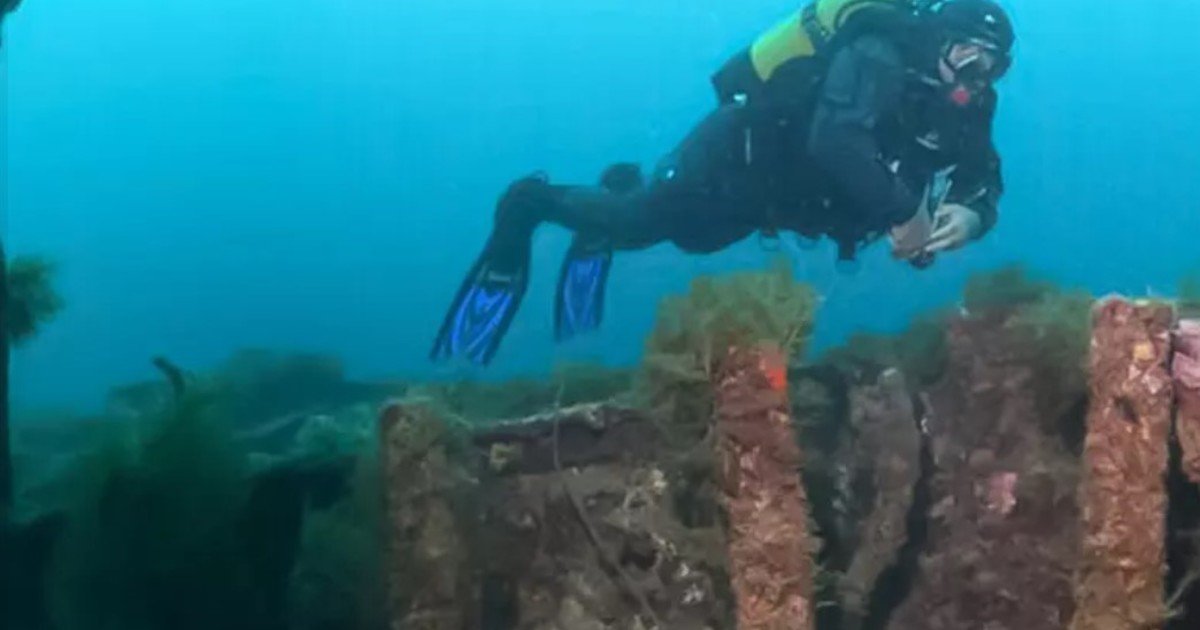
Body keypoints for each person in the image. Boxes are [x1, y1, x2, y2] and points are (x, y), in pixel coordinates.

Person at [431, 0, 1015, 365]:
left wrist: (970, 216)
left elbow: (981, 174)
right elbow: (834, 139)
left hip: (773, 201)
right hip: (733, 159)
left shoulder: (966, 104)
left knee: (695, 241)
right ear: (935, 38)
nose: (977, 75)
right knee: (639, 225)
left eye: (992, 64)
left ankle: (619, 186)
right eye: (969, 54)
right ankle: (529, 203)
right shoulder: (875, 53)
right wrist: (904, 211)